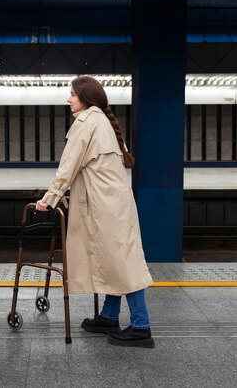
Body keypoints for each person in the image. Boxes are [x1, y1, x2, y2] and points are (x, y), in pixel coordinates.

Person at [35, 75, 155, 348]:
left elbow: (69, 166)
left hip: (105, 207)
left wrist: (50, 198)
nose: (68, 99)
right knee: (117, 259)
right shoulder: (104, 121)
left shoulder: (87, 121)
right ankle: (109, 317)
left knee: (124, 263)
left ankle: (141, 327)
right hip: (114, 204)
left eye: (72, 95)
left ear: (85, 98)